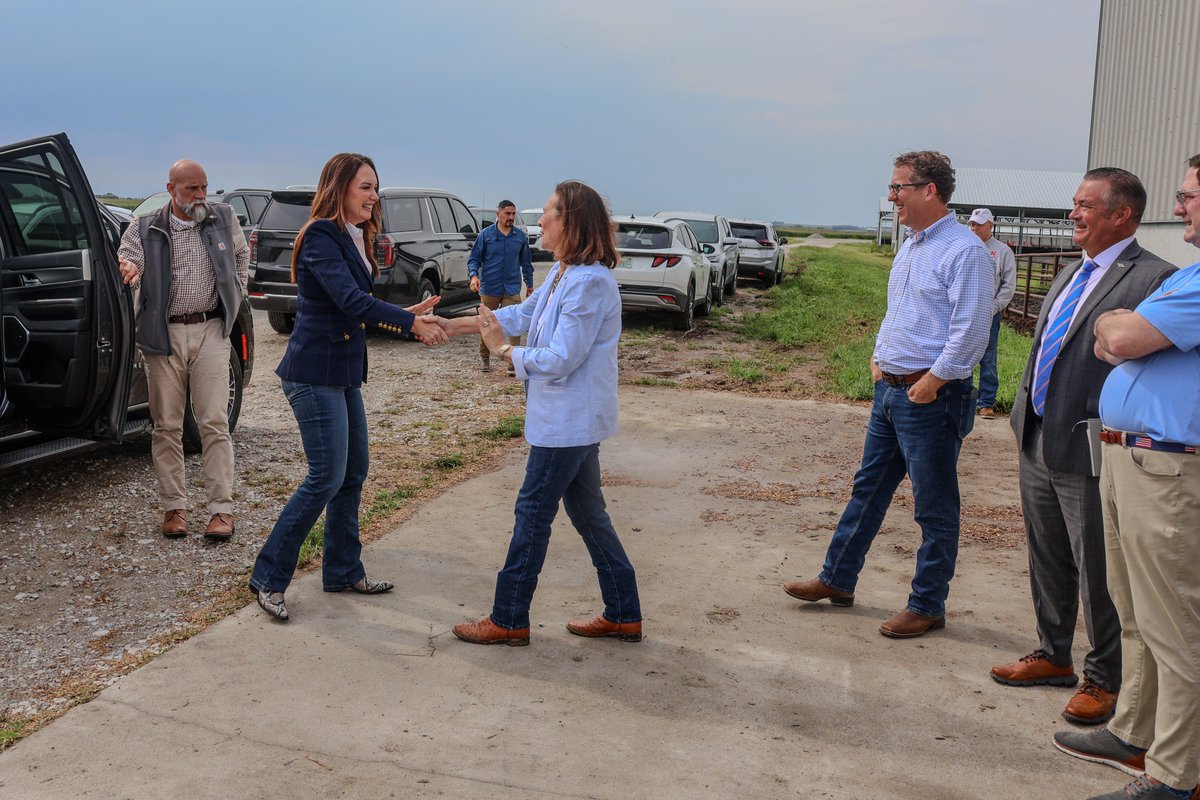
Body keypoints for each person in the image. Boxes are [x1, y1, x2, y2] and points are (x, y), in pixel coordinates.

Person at [782, 150, 994, 639]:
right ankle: (837, 580)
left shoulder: (964, 251)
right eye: (893, 187)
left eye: (900, 187)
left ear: (930, 191)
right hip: (891, 391)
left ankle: (927, 604)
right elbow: (898, 312)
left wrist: (933, 381)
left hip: (932, 397)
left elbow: (971, 331)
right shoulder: (913, 244)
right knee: (869, 489)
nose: (892, 196)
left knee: (934, 507)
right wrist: (879, 358)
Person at [993, 169, 1174, 726]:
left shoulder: (1154, 278)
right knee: (1046, 553)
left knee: (1098, 566)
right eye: (1074, 204)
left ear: (1122, 214)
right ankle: (1052, 654)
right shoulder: (1071, 271)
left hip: (1093, 446)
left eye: (1085, 205)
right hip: (1038, 432)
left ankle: (1105, 679)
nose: (1073, 214)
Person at [439, 179, 642, 646]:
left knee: (532, 512)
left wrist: (505, 354)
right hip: (566, 419)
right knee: (589, 513)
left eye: (549, 211)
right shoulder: (563, 271)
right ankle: (623, 611)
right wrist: (453, 326)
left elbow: (561, 357)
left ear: (570, 222)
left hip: (568, 423)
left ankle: (509, 618)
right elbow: (520, 316)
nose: (540, 219)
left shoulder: (590, 282)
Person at [1053, 156, 1200, 800]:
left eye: (1190, 195)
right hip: (1128, 456)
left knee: (1176, 625)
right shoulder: (1192, 276)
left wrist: (1126, 331)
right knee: (1133, 608)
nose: (1182, 205)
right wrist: (1123, 333)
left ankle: (1176, 773)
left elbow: (1123, 336)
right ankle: (1134, 729)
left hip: (1168, 466)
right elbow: (1112, 337)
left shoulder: (1189, 285)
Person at [248, 153, 447, 622]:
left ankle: (341, 570)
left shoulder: (358, 237)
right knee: (325, 477)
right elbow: (351, 300)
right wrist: (410, 326)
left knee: (353, 470)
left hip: (341, 373)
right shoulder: (320, 234)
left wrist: (408, 317)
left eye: (376, 187)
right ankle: (268, 578)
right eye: (365, 187)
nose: (374, 196)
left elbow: (355, 304)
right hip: (312, 372)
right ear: (338, 187)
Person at [118, 159, 248, 541]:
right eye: (192, 189)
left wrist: (236, 294)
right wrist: (128, 268)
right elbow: (130, 259)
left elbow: (241, 255)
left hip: (210, 329)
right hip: (165, 335)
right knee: (167, 427)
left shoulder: (222, 217)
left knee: (214, 422)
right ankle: (174, 508)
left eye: (204, 187)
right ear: (171, 188)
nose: (201, 195)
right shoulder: (145, 226)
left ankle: (221, 512)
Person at [468, 200, 534, 372]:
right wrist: (474, 276)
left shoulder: (519, 237)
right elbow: (474, 258)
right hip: (490, 286)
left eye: (513, 214)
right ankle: (485, 358)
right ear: (498, 215)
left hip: (511, 287)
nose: (511, 217)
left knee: (515, 321)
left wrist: (529, 284)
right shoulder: (486, 235)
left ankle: (514, 361)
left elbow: (526, 262)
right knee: (486, 323)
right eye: (507, 214)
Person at [966, 208, 1016, 418]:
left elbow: (1008, 285)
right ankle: (962, 397)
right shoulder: (966, 247)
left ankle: (986, 402)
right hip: (964, 310)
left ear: (990, 225)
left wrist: (993, 307)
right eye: (972, 224)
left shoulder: (1002, 252)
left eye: (978, 224)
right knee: (960, 353)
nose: (974, 228)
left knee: (988, 357)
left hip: (988, 313)